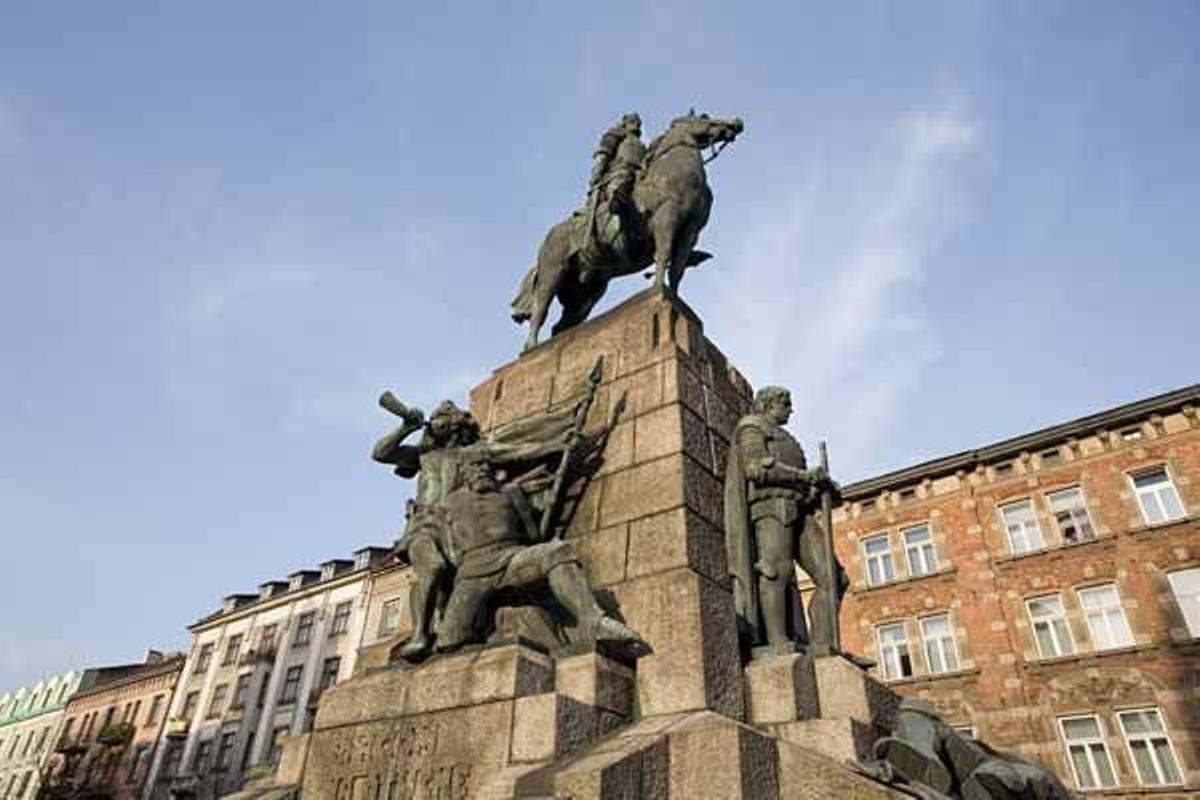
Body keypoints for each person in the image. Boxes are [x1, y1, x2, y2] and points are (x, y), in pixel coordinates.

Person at [435, 457, 647, 653]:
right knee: (450, 641)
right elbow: (446, 547)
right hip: (471, 572)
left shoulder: (511, 492)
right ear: (463, 472)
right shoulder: (448, 504)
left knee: (555, 551)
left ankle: (594, 621)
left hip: (511, 558)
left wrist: (545, 506)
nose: (482, 470)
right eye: (475, 466)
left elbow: (533, 535)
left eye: (485, 465)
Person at [724, 386, 848, 655]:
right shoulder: (752, 427)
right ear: (770, 405)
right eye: (786, 405)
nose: (791, 410)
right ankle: (778, 642)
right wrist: (805, 477)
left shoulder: (787, 439)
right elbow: (755, 468)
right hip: (771, 508)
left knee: (835, 577)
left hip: (799, 509)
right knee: (775, 571)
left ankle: (822, 645)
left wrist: (820, 487)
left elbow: (802, 484)